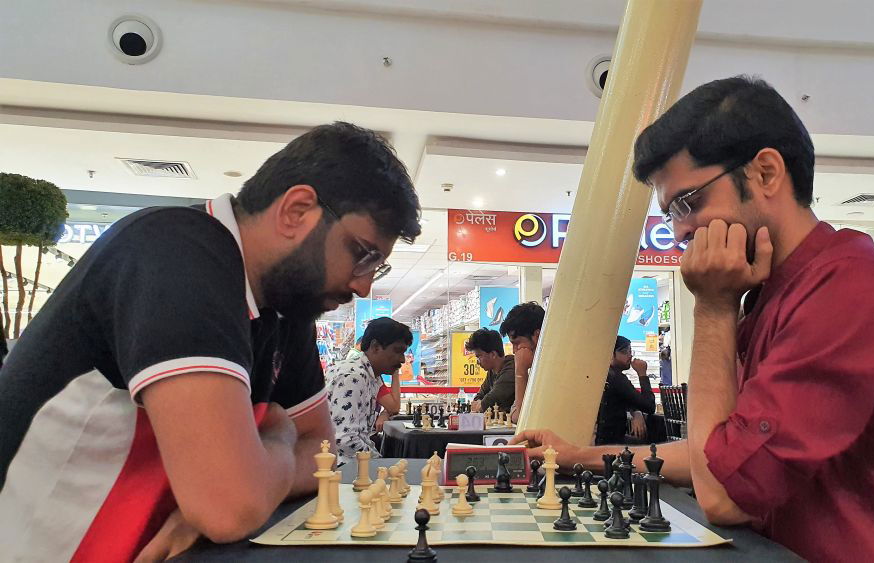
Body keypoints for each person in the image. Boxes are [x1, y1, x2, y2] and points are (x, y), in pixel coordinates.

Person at [515, 76, 874, 561]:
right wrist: (576, 456)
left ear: (766, 173)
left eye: (688, 202)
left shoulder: (851, 283)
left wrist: (712, 307)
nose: (679, 233)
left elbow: (725, 492)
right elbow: (720, 453)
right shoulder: (769, 293)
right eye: (670, 214)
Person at [0, 122, 421, 562]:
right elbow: (230, 507)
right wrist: (278, 438)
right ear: (296, 211)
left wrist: (238, 488)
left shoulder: (286, 308)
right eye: (363, 254)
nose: (364, 286)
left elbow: (321, 454)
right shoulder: (177, 253)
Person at [327, 316, 411, 460]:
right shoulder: (353, 377)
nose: (402, 359)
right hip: (338, 466)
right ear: (375, 347)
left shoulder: (372, 377)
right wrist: (379, 463)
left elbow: (358, 436)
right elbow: (344, 440)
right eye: (397, 351)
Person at [595, 336, 655, 445]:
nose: (630, 355)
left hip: (601, 440)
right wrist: (642, 374)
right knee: (649, 443)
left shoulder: (605, 374)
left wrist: (636, 412)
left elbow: (627, 398)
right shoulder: (617, 378)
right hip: (611, 443)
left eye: (630, 351)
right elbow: (649, 406)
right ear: (611, 354)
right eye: (624, 352)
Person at [498, 302, 545, 423]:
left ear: (537, 336)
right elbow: (515, 415)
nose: (514, 350)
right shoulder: (534, 371)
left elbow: (523, 418)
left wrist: (520, 372)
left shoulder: (552, 371)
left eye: (517, 343)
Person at [465, 328, 515, 412]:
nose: (477, 362)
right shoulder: (491, 372)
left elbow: (493, 398)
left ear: (493, 354)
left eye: (479, 356)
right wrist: (482, 404)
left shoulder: (512, 368)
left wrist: (483, 405)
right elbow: (478, 398)